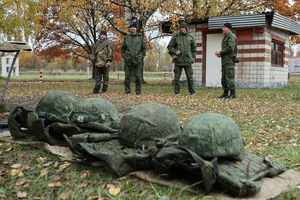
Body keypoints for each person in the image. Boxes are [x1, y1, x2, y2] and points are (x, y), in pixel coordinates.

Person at [167, 22, 197, 96]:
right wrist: (175, 52)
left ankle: (192, 92)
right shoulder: (176, 37)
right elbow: (170, 47)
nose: (181, 29)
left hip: (188, 61)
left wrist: (193, 58)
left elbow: (194, 49)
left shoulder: (190, 37)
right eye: (180, 27)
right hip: (178, 60)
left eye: (183, 27)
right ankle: (177, 92)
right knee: (176, 78)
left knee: (190, 78)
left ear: (186, 28)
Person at [121, 21, 146, 95]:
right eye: (131, 27)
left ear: (136, 28)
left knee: (138, 77)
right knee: (127, 76)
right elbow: (123, 49)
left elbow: (143, 49)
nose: (132, 29)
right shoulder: (126, 38)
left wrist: (141, 57)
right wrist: (125, 57)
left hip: (137, 60)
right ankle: (127, 91)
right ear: (130, 28)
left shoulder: (140, 37)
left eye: (134, 27)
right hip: (128, 60)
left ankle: (138, 91)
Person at [215, 23, 238, 99]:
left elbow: (230, 48)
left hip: (229, 61)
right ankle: (225, 93)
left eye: (224, 27)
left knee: (230, 77)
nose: (222, 28)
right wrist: (221, 54)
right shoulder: (226, 37)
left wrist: (220, 52)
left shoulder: (231, 36)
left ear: (228, 29)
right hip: (225, 61)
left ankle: (232, 94)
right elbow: (227, 50)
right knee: (224, 78)